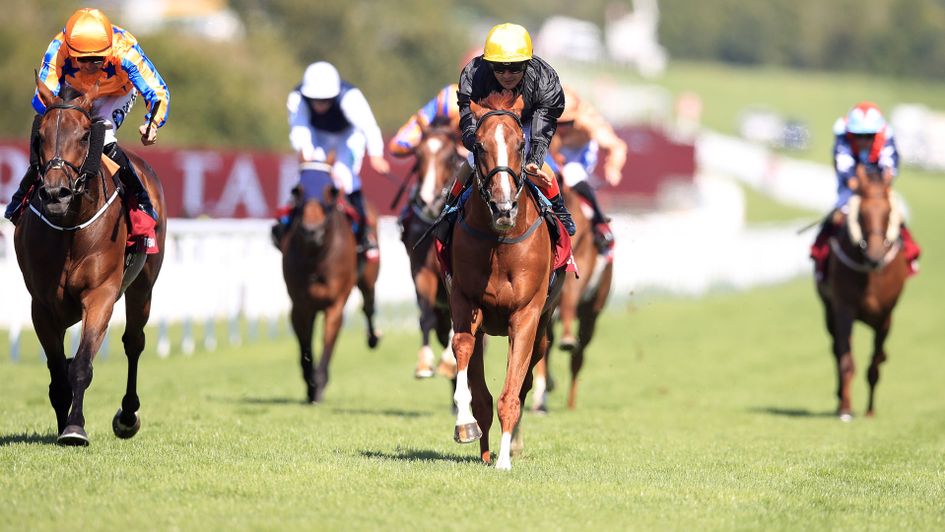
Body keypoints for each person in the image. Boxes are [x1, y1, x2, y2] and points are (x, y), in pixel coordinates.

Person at [4, 7, 169, 246]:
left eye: (98, 59)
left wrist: (152, 123)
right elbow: (42, 99)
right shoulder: (59, 47)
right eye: (83, 59)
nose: (91, 65)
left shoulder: (125, 51)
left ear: (109, 51)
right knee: (45, 126)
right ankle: (25, 192)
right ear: (71, 51)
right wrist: (62, 117)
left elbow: (158, 92)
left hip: (115, 93)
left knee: (104, 134)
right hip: (73, 94)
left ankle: (142, 203)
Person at [447, 23, 575, 235]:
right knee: (470, 163)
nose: (507, 75)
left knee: (543, 167)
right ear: (489, 65)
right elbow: (467, 119)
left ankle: (559, 210)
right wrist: (477, 145)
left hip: (528, 121)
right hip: (489, 121)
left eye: (515, 68)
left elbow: (542, 129)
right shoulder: (473, 74)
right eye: (500, 68)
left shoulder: (544, 79)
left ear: (528, 62)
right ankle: (449, 208)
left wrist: (534, 159)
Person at [276, 61, 388, 258]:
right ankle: (285, 227)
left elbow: (369, 127)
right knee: (309, 178)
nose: (320, 105)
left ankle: (365, 234)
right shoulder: (297, 98)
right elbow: (300, 131)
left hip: (347, 138)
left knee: (346, 178)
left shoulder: (350, 97)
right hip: (317, 137)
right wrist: (310, 162)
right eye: (315, 100)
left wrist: (376, 154)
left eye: (326, 100)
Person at [810, 101, 921, 279]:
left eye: (868, 136)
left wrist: (880, 182)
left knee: (896, 216)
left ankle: (909, 257)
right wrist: (855, 181)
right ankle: (819, 260)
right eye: (859, 135)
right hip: (851, 189)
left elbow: (890, 166)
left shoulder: (886, 136)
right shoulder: (843, 135)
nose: (863, 140)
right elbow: (843, 164)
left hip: (877, 190)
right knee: (836, 218)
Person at [546, 85, 627, 253]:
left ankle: (600, 225)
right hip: (554, 151)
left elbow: (617, 146)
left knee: (572, 175)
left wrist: (613, 167)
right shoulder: (544, 116)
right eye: (557, 123)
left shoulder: (590, 121)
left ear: (577, 117)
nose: (562, 128)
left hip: (581, 151)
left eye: (568, 123)